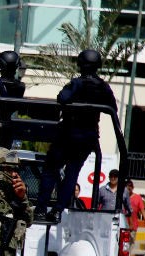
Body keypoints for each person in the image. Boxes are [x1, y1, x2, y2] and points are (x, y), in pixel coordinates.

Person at [36, 49, 118, 223]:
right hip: (88, 139)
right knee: (72, 174)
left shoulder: (77, 83)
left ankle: (41, 209)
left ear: (81, 65)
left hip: (68, 135)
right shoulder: (103, 87)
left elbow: (62, 98)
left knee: (51, 169)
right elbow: (113, 107)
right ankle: (58, 210)